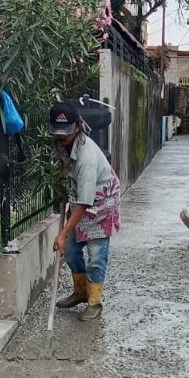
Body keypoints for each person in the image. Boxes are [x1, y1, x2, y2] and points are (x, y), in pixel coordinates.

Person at [50, 101, 120, 321]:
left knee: (96, 256)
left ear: (78, 127)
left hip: (101, 202)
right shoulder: (63, 143)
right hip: (81, 197)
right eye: (57, 131)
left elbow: (84, 203)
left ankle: (94, 302)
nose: (61, 136)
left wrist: (62, 233)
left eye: (66, 132)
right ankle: (80, 292)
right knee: (71, 251)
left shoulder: (86, 158)